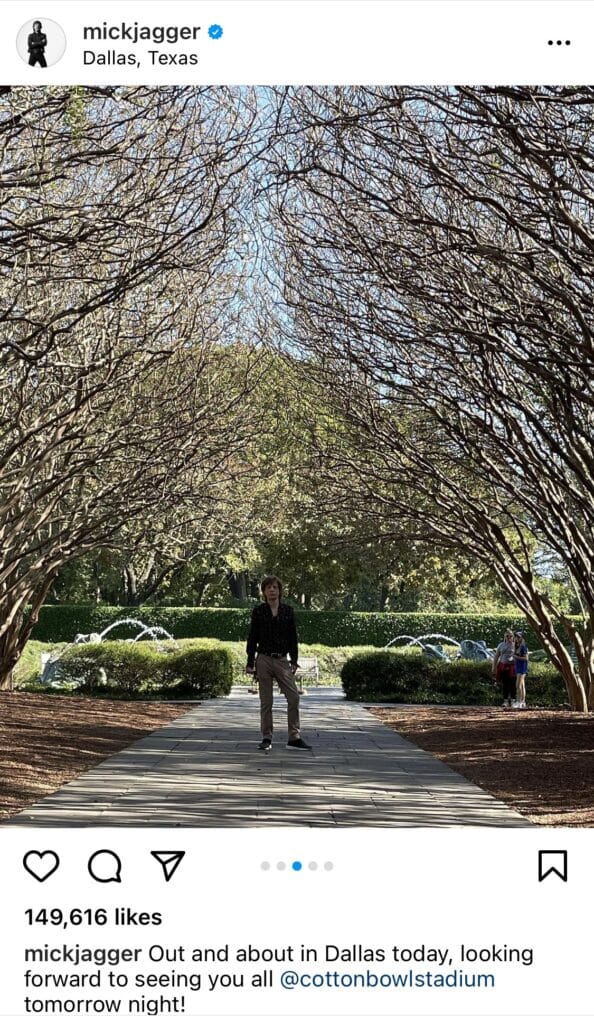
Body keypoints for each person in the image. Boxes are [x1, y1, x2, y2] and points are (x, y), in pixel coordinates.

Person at [246, 575, 312, 751]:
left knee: (294, 697)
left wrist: (294, 660)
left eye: (275, 587)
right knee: (266, 701)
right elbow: (252, 637)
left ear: (280, 590)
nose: (272, 590)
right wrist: (250, 661)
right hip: (264, 659)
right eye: (268, 587)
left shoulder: (288, 611)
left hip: (282, 660)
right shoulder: (259, 611)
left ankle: (294, 737)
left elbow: (292, 637)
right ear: (264, 591)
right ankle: (267, 737)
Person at [493, 628, 517, 708]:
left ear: (513, 637)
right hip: (503, 665)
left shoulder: (516, 645)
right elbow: (496, 656)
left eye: (511, 636)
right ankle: (505, 700)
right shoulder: (501, 645)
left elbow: (521, 655)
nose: (509, 638)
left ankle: (513, 700)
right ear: (505, 637)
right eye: (507, 636)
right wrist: (494, 666)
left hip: (513, 667)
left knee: (513, 684)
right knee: (505, 684)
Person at [514, 631, 529, 709]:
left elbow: (526, 658)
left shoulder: (523, 646)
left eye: (518, 637)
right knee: (522, 685)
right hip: (518, 667)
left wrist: (516, 657)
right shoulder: (517, 646)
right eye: (516, 637)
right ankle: (522, 702)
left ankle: (519, 701)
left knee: (518, 685)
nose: (516, 638)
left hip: (522, 667)